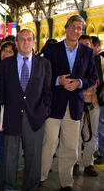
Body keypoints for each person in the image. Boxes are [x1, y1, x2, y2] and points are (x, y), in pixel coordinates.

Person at [40, 15, 98, 191]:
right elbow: (42, 76)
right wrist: (58, 80)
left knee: (71, 147)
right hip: (53, 105)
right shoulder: (51, 50)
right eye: (73, 27)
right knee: (49, 143)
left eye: (80, 28)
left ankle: (66, 182)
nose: (76, 31)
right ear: (66, 28)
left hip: (75, 106)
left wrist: (80, 83)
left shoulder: (87, 52)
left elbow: (93, 78)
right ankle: (40, 177)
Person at [0, 29, 52, 191]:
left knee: (33, 159)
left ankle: (31, 188)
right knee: (9, 158)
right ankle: (8, 187)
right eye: (22, 39)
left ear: (34, 42)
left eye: (29, 39)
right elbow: (0, 93)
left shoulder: (44, 64)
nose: (26, 42)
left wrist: (44, 112)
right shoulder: (6, 64)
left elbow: (48, 92)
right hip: (11, 117)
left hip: (35, 118)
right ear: (17, 43)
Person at [73, 35, 100, 177]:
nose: (85, 47)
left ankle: (89, 163)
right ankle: (75, 163)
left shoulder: (99, 61)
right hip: (76, 104)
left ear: (92, 46)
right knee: (75, 135)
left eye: (87, 44)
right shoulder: (73, 62)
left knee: (91, 135)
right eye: (82, 44)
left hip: (93, 105)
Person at [91, 36, 104, 165]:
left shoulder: (100, 60)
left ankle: (101, 152)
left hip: (99, 100)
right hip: (93, 100)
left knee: (100, 126)